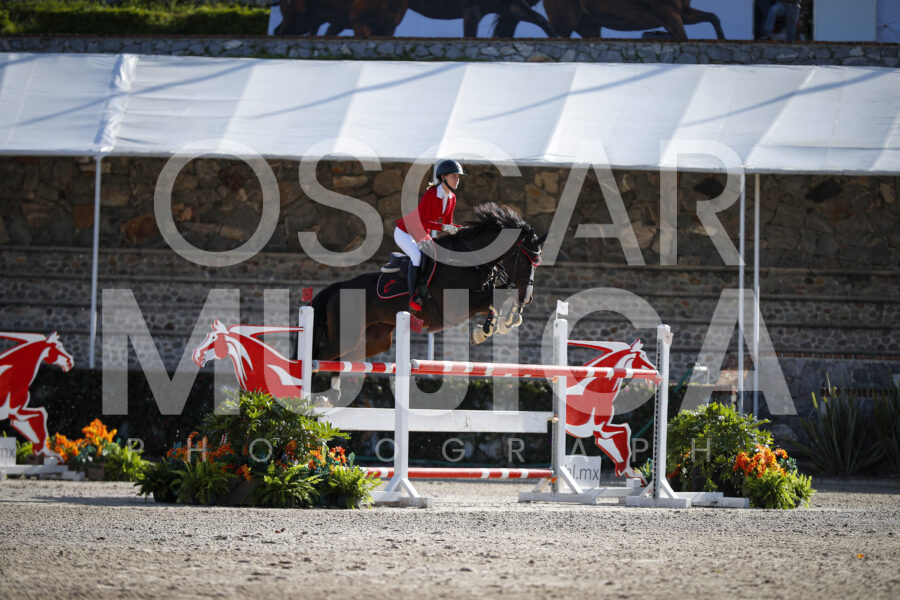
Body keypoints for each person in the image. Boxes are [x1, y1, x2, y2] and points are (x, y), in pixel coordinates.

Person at [394, 159, 465, 311]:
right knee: (417, 257)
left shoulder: (452, 198)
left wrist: (463, 230)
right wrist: (443, 227)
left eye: (458, 177)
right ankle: (413, 297)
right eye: (454, 176)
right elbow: (422, 222)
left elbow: (448, 223)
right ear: (443, 177)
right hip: (405, 232)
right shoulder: (431, 194)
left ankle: (426, 291)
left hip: (421, 234)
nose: (457, 180)